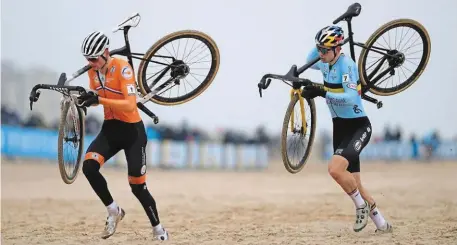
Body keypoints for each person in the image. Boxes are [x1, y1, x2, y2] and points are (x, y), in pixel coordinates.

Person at [77, 31, 169, 241]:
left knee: (137, 187)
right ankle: (113, 210)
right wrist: (85, 101)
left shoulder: (123, 68)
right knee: (89, 167)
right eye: (87, 59)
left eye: (93, 58)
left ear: (106, 52)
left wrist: (98, 100)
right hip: (110, 129)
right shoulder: (93, 72)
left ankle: (159, 230)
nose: (90, 63)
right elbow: (97, 99)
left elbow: (129, 104)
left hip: (133, 132)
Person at [301, 25, 393, 233]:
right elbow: (309, 59)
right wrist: (322, 40)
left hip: (358, 126)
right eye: (320, 49)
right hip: (340, 127)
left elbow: (351, 97)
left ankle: (361, 206)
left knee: (334, 169)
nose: (320, 54)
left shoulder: (347, 66)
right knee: (355, 183)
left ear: (337, 49)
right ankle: (382, 225)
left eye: (324, 50)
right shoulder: (324, 61)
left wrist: (322, 92)